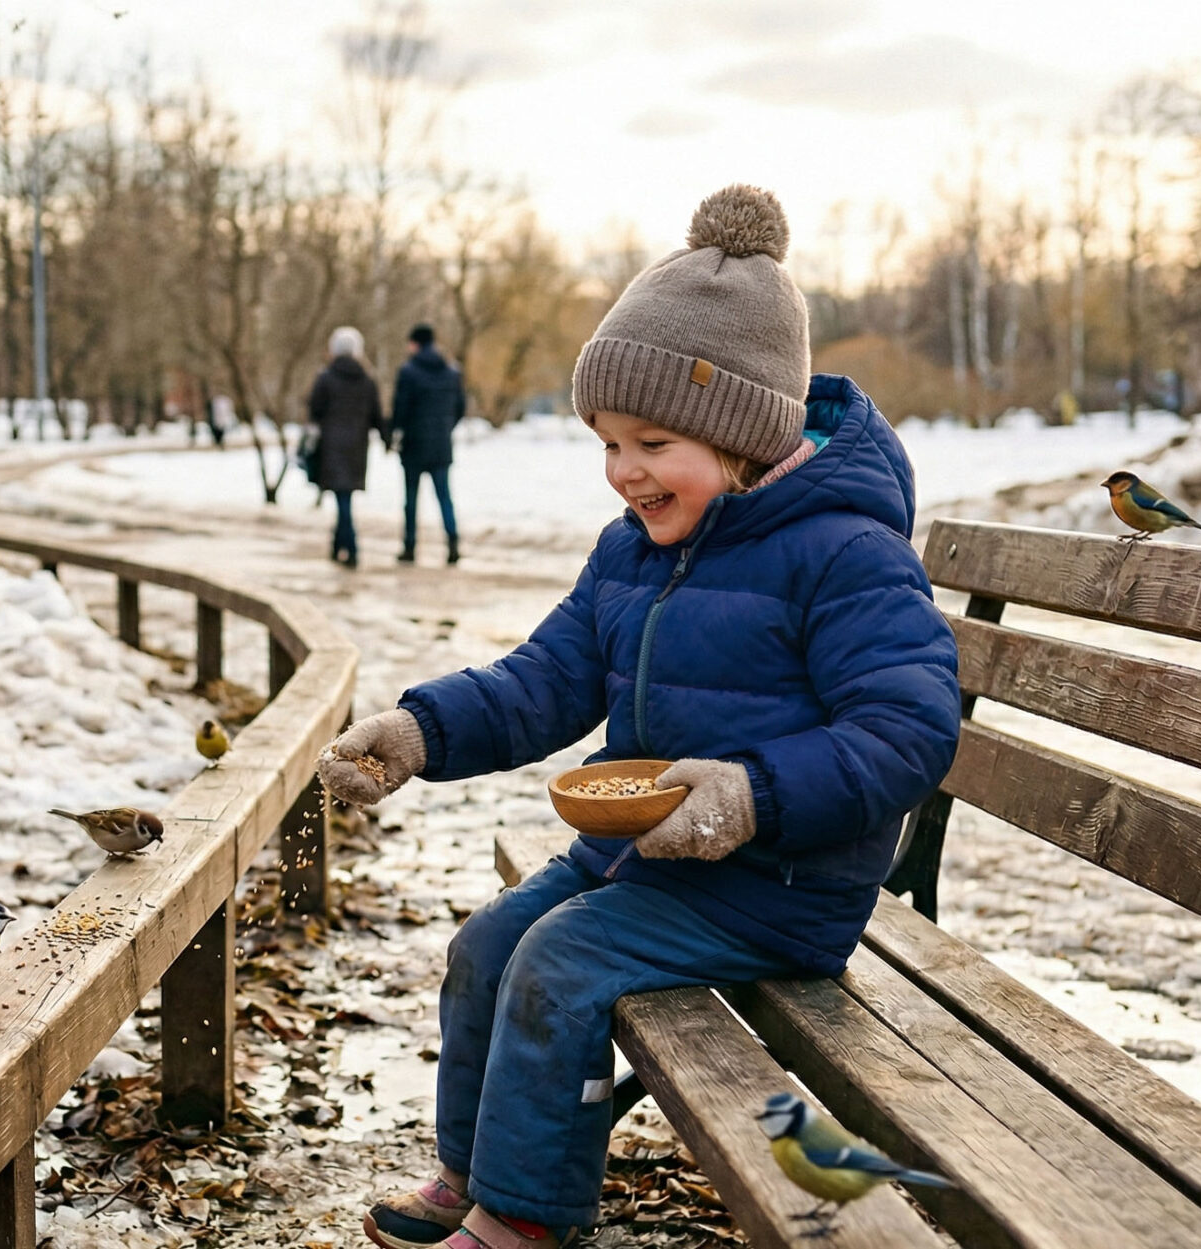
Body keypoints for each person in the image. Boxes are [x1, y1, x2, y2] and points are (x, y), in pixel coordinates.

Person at [315, 186, 961, 1249]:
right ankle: (473, 1172)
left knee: (559, 962)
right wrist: (423, 732)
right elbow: (547, 678)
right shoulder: (634, 549)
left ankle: (522, 1218)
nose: (624, 473)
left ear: (741, 433)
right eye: (608, 443)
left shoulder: (846, 554)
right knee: (488, 944)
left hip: (775, 886)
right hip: (641, 857)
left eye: (652, 441)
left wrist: (749, 795)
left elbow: (908, 730)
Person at [308, 326, 386, 567]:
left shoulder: (326, 378)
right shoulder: (367, 380)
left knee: (342, 499)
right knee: (345, 497)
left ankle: (350, 548)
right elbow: (377, 415)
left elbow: (315, 409)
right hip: (356, 447)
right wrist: (386, 438)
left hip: (332, 445)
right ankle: (338, 545)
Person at [391, 323, 466, 565]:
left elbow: (400, 409)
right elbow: (460, 408)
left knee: (411, 500)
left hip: (414, 445)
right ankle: (452, 543)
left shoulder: (408, 372)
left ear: (415, 343)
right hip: (441, 446)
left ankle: (410, 546)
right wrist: (445, 428)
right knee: (444, 497)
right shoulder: (451, 371)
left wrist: (395, 433)